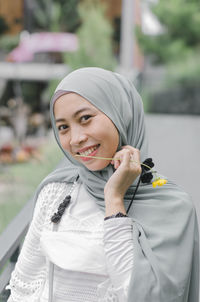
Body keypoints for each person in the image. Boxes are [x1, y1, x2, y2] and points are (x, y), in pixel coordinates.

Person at [7, 67, 199, 302]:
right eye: (63, 127)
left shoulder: (173, 207)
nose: (76, 138)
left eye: (85, 119)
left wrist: (114, 199)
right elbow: (23, 287)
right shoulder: (56, 192)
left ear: (121, 113)